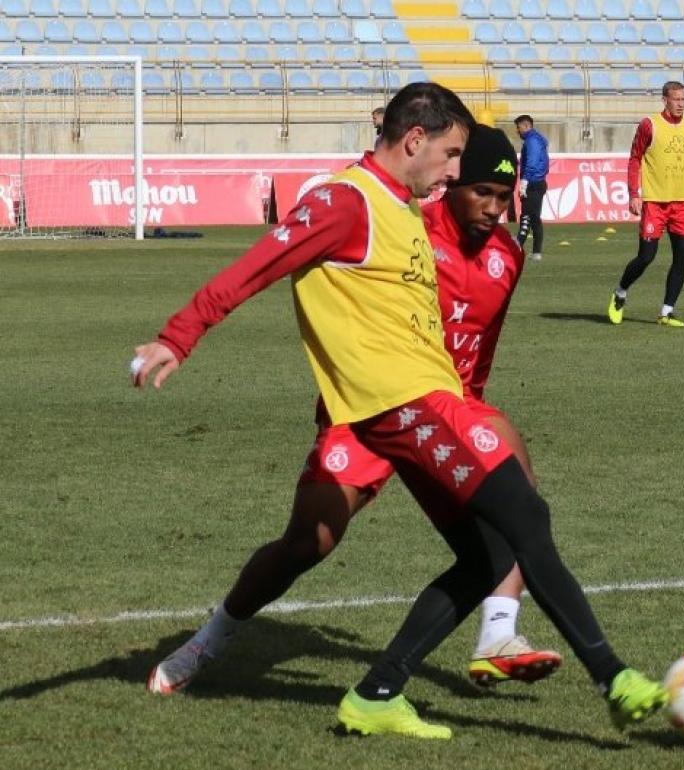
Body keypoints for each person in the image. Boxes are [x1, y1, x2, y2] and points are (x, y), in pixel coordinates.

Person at [131, 82, 669, 739]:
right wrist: (179, 335)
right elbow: (258, 265)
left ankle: (380, 690)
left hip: (422, 404)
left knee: (487, 551)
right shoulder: (344, 202)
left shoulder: (410, 210)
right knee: (317, 540)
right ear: (414, 140)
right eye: (449, 156)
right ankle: (612, 677)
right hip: (392, 406)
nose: (452, 173)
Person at [146, 125, 563, 698]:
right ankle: (211, 637)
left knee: (519, 488)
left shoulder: (507, 258)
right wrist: (181, 334)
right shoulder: (406, 225)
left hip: (448, 405)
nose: (494, 209)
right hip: (370, 406)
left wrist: (471, 413)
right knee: (310, 539)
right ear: (449, 184)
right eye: (479, 192)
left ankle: (498, 636)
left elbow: (479, 351)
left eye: (503, 197)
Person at [607, 80, 684, 328]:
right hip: (655, 202)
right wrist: (634, 193)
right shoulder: (650, 124)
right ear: (665, 99)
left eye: (683, 99)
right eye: (676, 99)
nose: (680, 104)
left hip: (683, 202)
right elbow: (634, 159)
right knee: (646, 257)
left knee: (682, 257)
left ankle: (666, 312)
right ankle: (621, 292)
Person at [513, 114, 549, 262]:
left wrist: (525, 180)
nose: (517, 131)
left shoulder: (532, 140)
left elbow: (532, 162)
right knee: (530, 216)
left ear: (526, 126)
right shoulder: (536, 139)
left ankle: (523, 246)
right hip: (536, 183)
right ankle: (528, 248)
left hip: (533, 183)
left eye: (519, 127)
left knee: (530, 217)